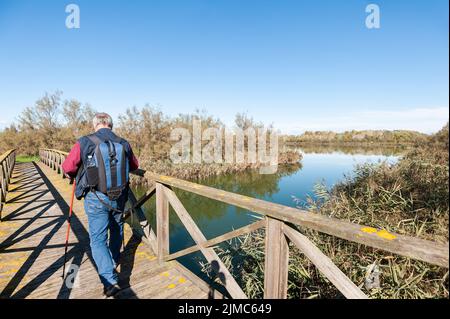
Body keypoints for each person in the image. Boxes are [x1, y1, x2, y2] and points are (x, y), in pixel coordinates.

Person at [62, 112, 139, 297]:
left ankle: (109, 279)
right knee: (117, 228)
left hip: (96, 197)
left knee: (97, 239)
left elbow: (67, 167)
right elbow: (135, 165)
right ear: (110, 125)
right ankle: (113, 260)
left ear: (95, 124)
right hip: (119, 196)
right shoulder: (123, 142)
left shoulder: (84, 142)